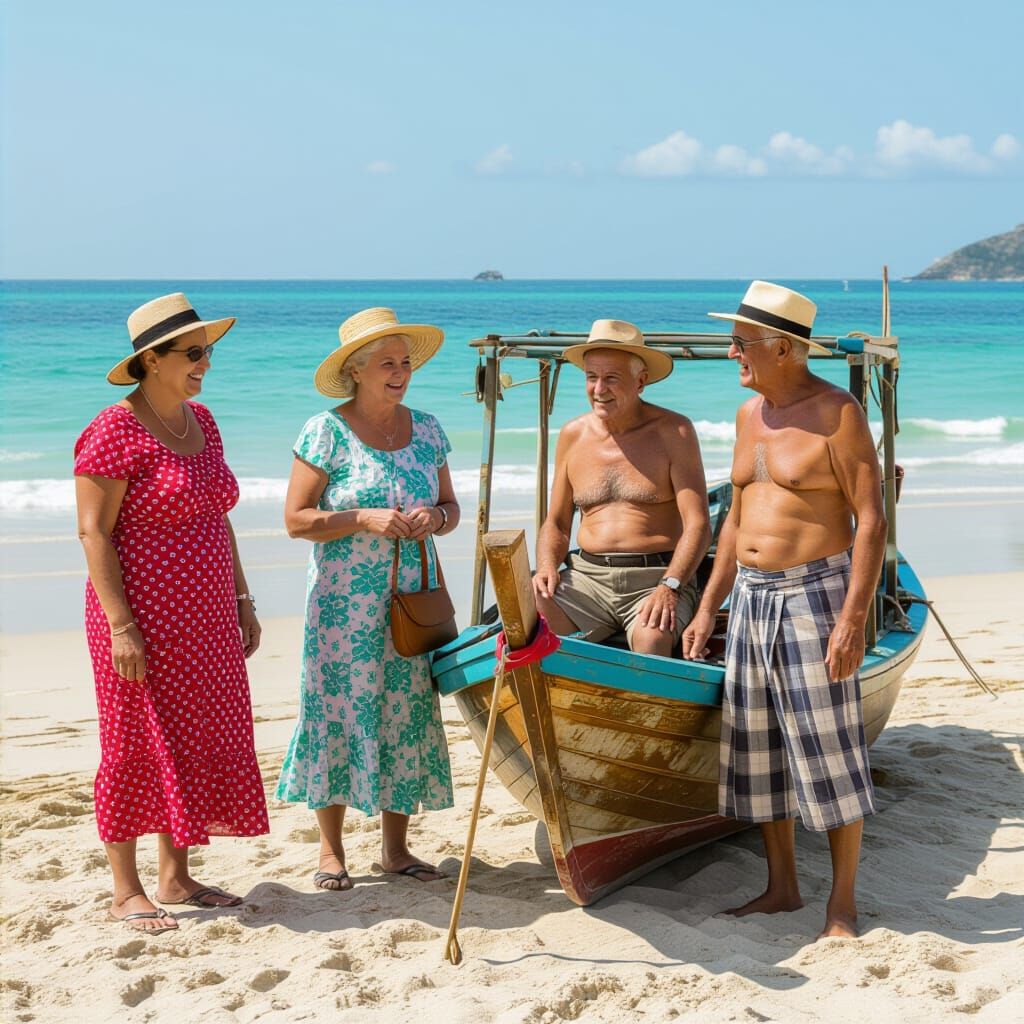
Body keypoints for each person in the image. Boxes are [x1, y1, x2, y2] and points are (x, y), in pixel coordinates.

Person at [683, 281, 887, 940]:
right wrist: (707, 603)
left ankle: (844, 903)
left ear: (784, 348)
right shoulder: (748, 416)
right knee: (758, 749)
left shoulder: (838, 413)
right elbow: (736, 518)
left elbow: (872, 520)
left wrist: (853, 618)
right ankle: (782, 888)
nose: (732, 353)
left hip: (814, 594)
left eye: (741, 343)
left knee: (830, 753)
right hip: (750, 598)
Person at [74, 293, 270, 935]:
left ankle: (176, 876)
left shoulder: (203, 422)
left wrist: (241, 598)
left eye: (207, 350)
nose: (204, 363)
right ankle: (125, 889)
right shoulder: (112, 429)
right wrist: (121, 625)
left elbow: (219, 517)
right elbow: (93, 533)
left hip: (208, 613)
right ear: (150, 359)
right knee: (134, 740)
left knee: (193, 732)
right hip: (141, 617)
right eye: (192, 353)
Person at [277, 307, 458, 891]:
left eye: (406, 362)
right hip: (341, 605)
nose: (401, 372)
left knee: (404, 711)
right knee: (336, 709)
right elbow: (297, 521)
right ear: (355, 371)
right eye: (388, 363)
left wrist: (434, 515)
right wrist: (363, 519)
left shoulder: (428, 429)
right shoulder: (324, 431)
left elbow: (453, 510)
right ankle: (330, 852)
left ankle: (396, 849)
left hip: (411, 598)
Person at [533, 319, 710, 656]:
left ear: (641, 381)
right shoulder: (573, 435)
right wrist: (545, 567)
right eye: (591, 377)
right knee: (526, 610)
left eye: (611, 378)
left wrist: (670, 585)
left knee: (651, 641)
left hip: (655, 577)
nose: (599, 389)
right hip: (585, 578)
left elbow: (698, 525)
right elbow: (556, 523)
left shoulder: (675, 432)